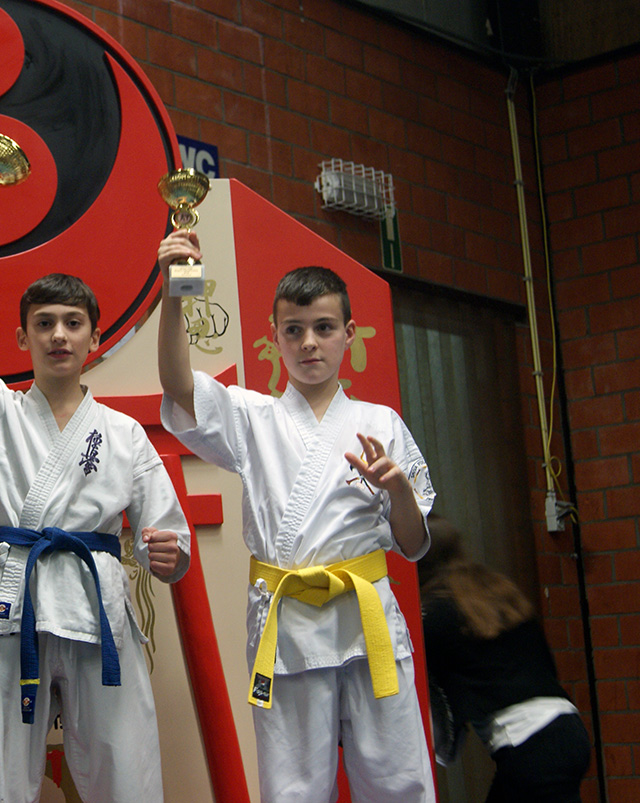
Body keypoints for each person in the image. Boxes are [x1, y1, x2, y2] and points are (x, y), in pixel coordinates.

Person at [0, 185, 192, 803]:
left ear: (95, 338)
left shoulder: (123, 434)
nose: (58, 335)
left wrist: (168, 555)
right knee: (4, 773)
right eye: (44, 324)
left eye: (72, 323)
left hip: (97, 601)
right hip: (17, 598)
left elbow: (168, 536)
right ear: (23, 338)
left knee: (125, 766)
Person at [156, 229, 437, 802]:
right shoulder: (252, 416)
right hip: (286, 627)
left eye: (324, 328)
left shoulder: (381, 423)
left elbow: (413, 546)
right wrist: (174, 290)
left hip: (367, 622)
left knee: (398, 781)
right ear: (275, 336)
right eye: (294, 330)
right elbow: (179, 386)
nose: (309, 343)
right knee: (292, 789)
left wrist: (399, 491)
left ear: (349, 334)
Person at [419, 516, 590, 802]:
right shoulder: (496, 590)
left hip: (529, 745)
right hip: (569, 728)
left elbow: (439, 719)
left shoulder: (434, 615)